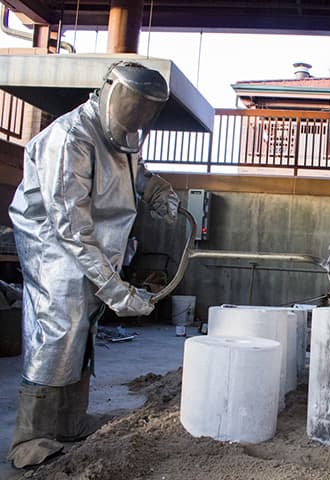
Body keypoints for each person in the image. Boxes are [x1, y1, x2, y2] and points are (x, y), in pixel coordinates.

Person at [7, 61, 179, 468]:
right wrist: (115, 287)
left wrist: (153, 188)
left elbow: (132, 170)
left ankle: (69, 421)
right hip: (56, 245)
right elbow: (68, 224)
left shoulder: (121, 138)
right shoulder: (70, 138)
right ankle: (29, 438)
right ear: (107, 91)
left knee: (82, 328)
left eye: (145, 111)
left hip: (94, 246)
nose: (136, 117)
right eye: (131, 106)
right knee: (57, 329)